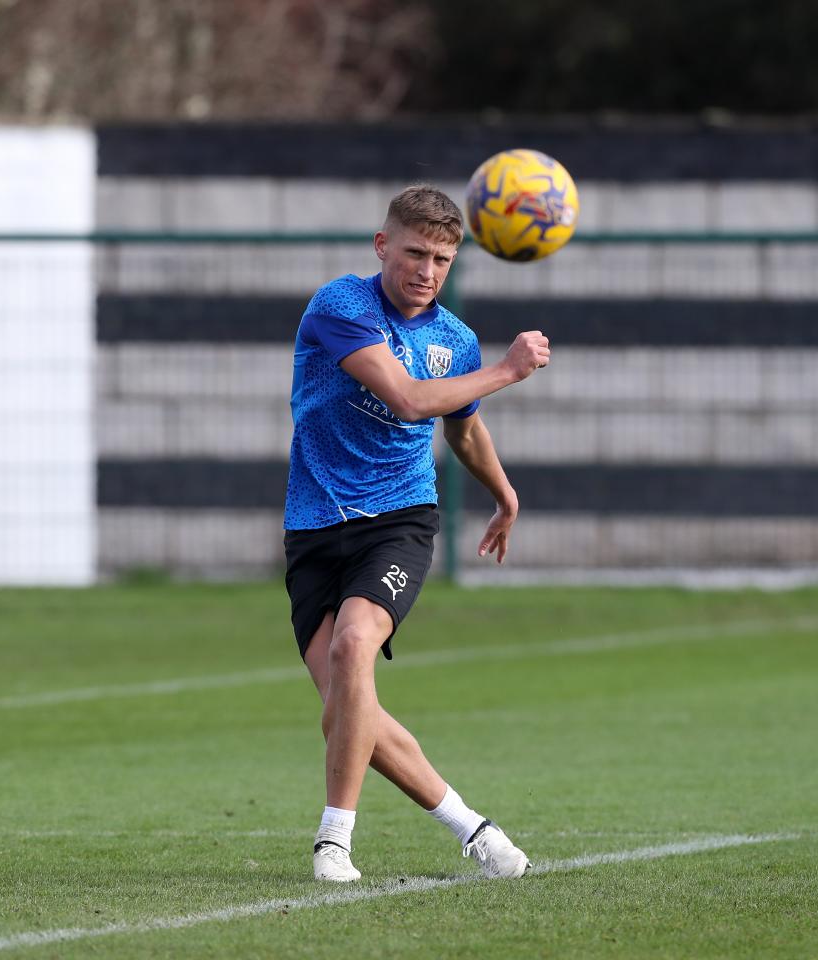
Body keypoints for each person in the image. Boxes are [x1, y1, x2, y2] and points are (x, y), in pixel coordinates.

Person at [283, 183, 550, 883]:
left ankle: (332, 841)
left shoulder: (454, 341)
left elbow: (463, 428)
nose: (426, 271)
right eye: (413, 253)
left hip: (399, 521)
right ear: (382, 246)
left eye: (441, 259)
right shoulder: (340, 306)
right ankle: (474, 830)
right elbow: (405, 399)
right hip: (314, 527)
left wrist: (504, 492)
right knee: (346, 708)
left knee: (352, 646)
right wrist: (506, 370)